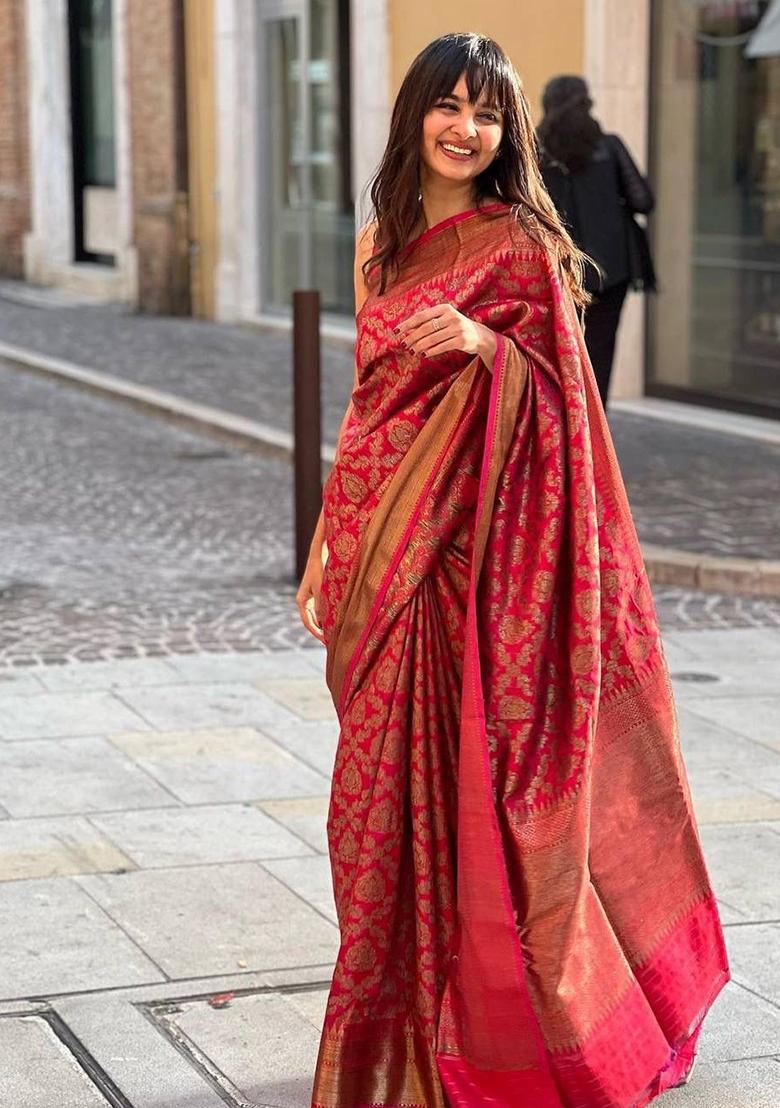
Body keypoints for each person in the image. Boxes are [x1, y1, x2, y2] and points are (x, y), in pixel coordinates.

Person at [297, 33, 728, 1108]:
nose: (464, 128)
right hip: (381, 561)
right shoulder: (381, 241)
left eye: (485, 114)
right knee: (374, 805)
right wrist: (323, 546)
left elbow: (571, 417)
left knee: (482, 808)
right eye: (446, 106)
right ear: (415, 116)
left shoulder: (526, 245)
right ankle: (396, 1016)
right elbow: (366, 415)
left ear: (509, 132)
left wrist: (489, 352)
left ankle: (490, 1031)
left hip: (480, 572)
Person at [538, 74, 655, 408]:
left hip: (557, 273)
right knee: (600, 354)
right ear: (587, 104)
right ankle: (594, 438)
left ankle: (562, 431)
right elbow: (644, 201)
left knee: (558, 358)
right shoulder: (609, 146)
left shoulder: (534, 152)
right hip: (611, 272)